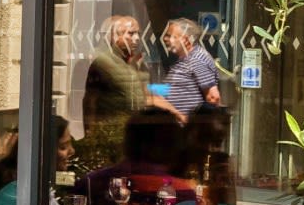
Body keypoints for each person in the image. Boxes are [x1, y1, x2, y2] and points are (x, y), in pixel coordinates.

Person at [79, 14, 151, 169]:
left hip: (129, 136)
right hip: (110, 137)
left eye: (138, 33)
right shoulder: (102, 62)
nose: (137, 38)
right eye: (131, 33)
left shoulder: (129, 62)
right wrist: (91, 137)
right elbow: (89, 102)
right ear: (114, 35)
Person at [160, 17, 221, 119]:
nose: (165, 39)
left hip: (187, 129)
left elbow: (213, 97)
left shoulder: (197, 59)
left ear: (185, 40)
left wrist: (194, 126)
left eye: (170, 36)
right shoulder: (186, 59)